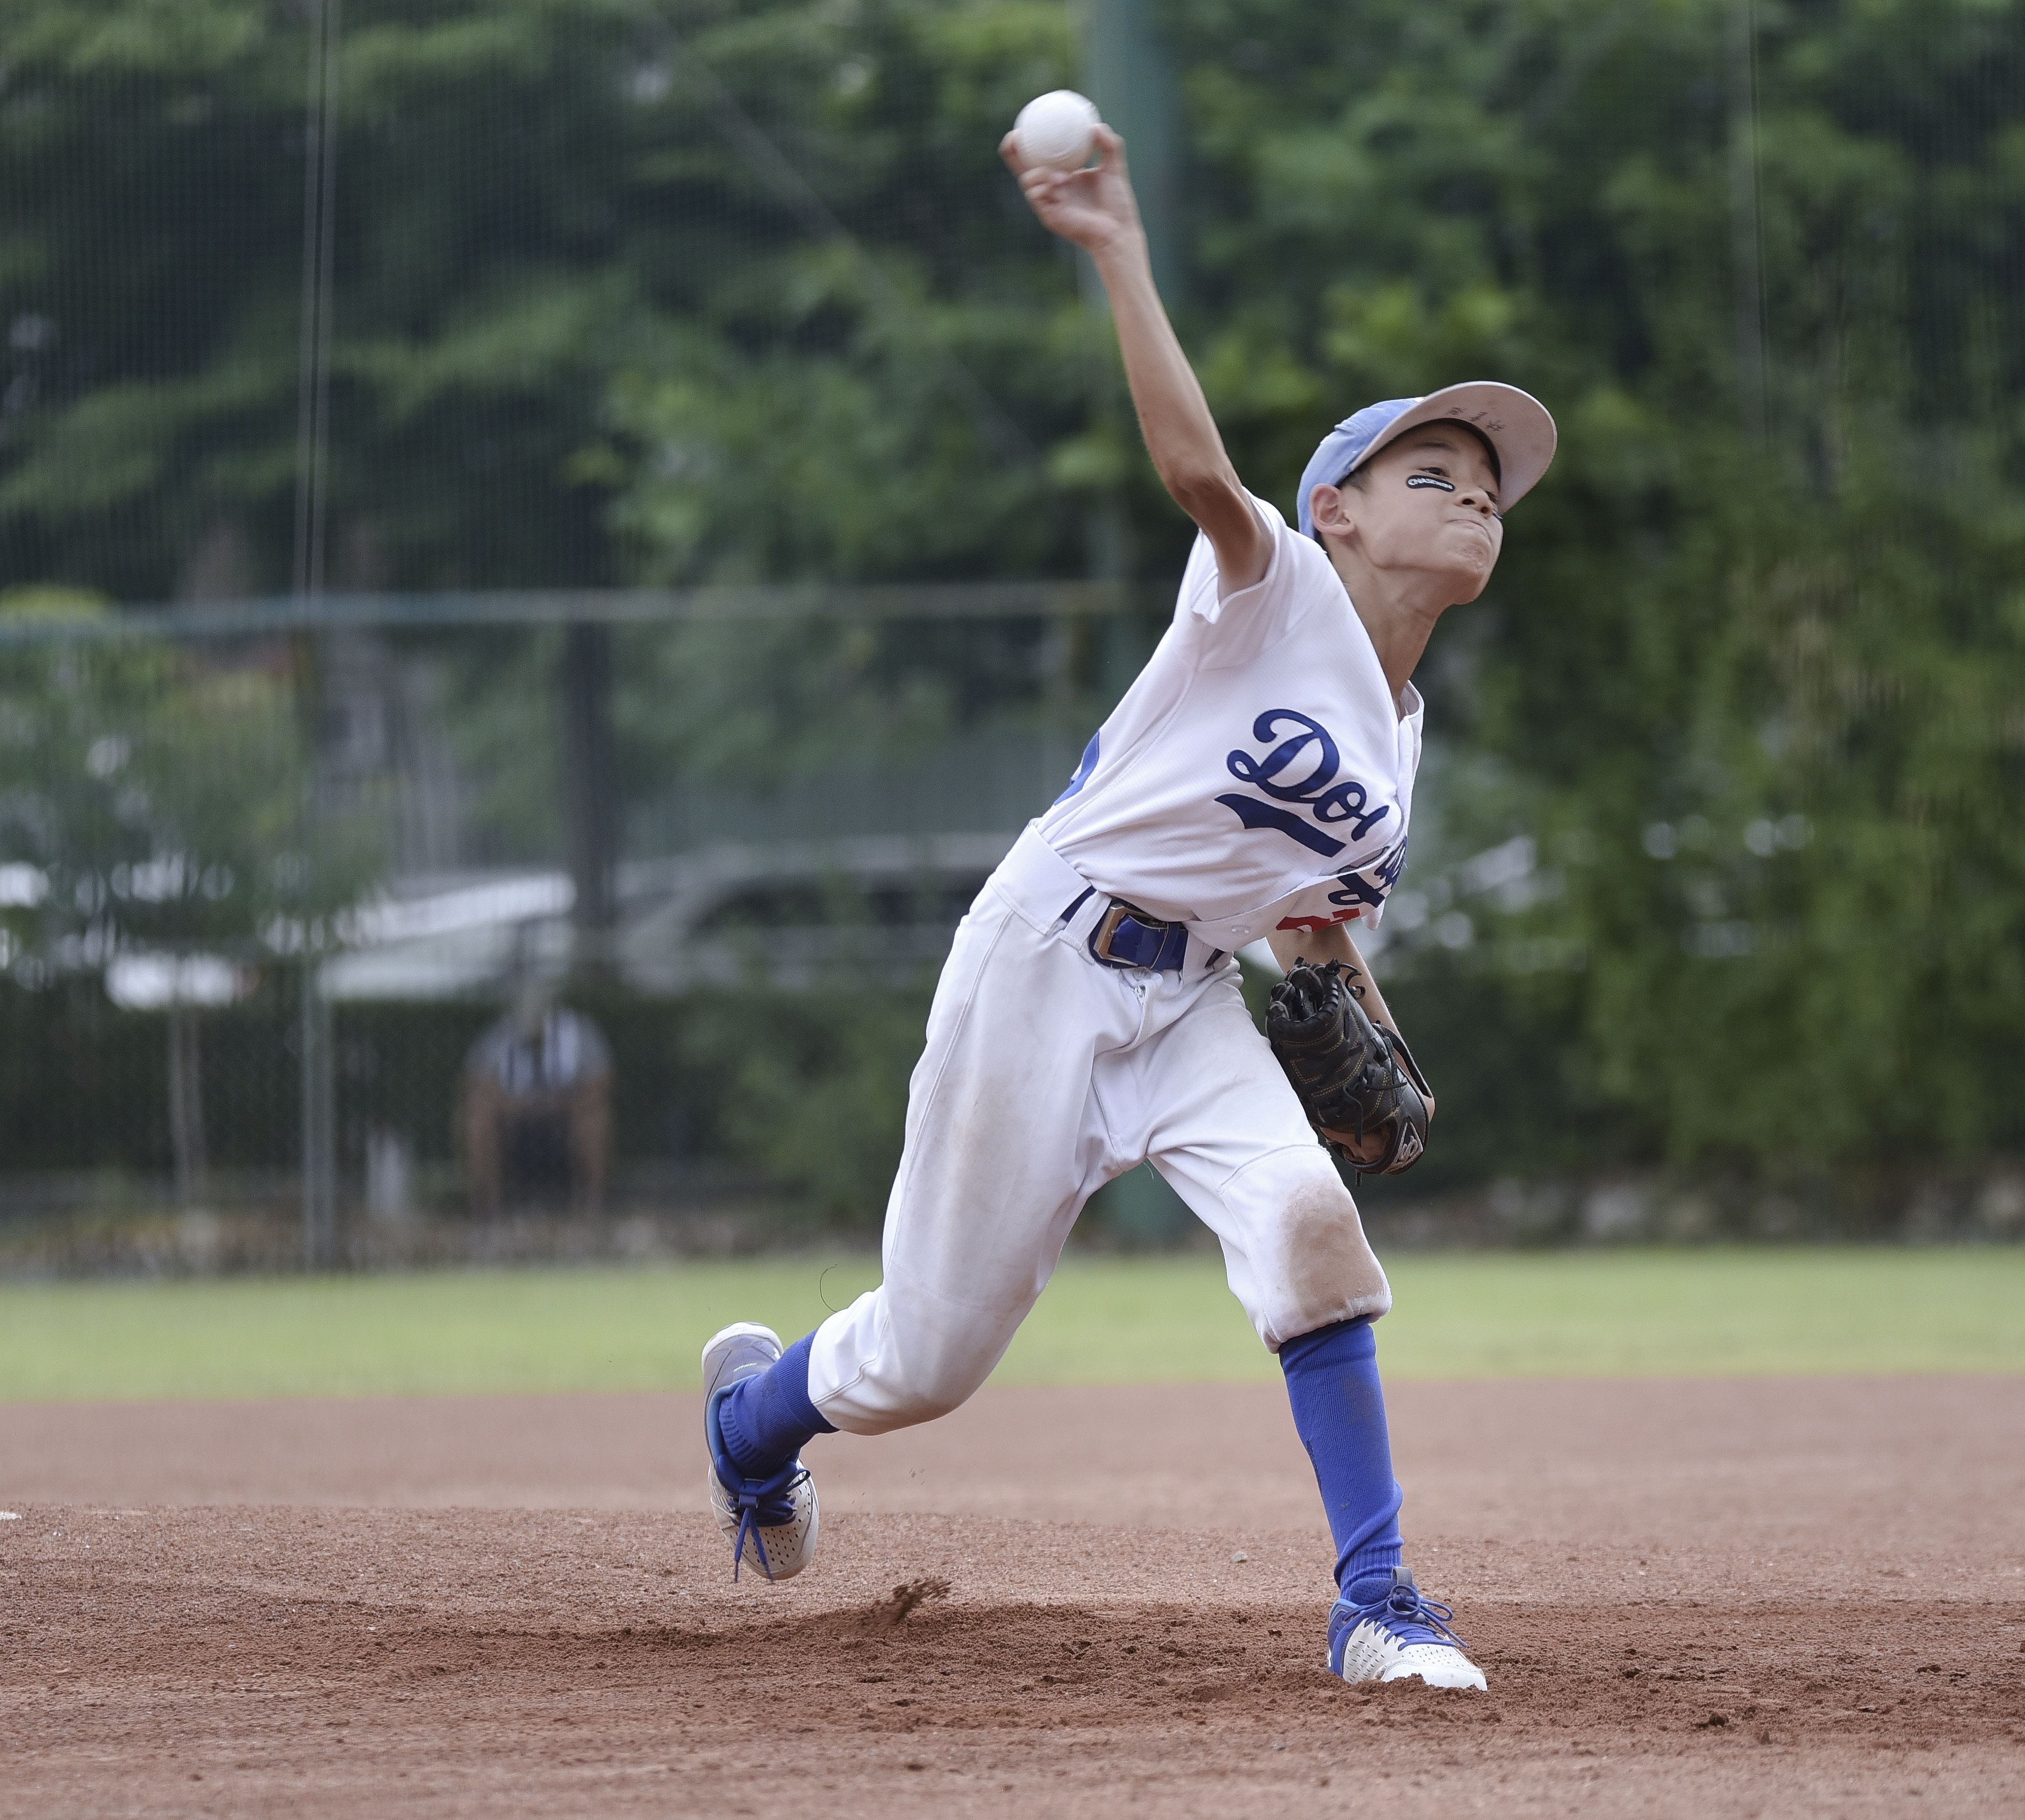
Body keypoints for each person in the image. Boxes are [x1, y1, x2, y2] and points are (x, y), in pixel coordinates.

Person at [691, 118, 1557, 1693]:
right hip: (1047, 955)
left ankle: (1379, 1601)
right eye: (1432, 470)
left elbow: (1312, 922)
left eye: (1492, 484)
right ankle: (752, 1426)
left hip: (1187, 1000)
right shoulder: (1272, 582)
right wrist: (1116, 248)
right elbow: (1193, 470)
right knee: (923, 1358)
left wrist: (1377, 1041)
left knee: (1311, 1227)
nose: (1475, 494)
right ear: (1342, 509)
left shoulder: (1401, 743)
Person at [459, 981, 613, 1216]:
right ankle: (487, 1208)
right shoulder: (499, 1037)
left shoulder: (581, 1034)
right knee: (478, 1117)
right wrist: (524, 1105)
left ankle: (593, 1206)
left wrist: (551, 1103)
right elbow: (479, 1086)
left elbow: (599, 1085)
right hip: (515, 1126)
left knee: (594, 1117)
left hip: (565, 1125)